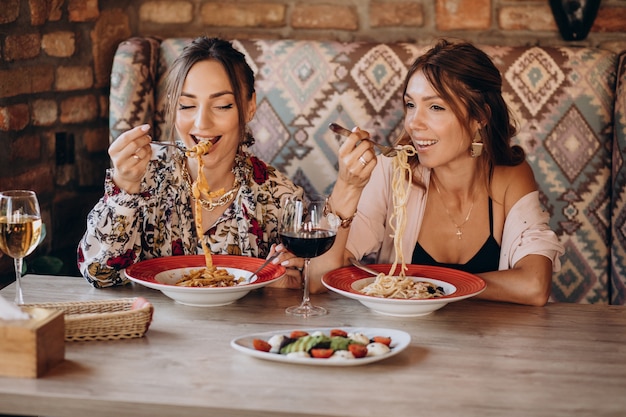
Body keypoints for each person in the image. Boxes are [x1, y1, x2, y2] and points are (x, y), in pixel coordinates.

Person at [309, 39, 564, 306]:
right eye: (410, 105)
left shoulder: (510, 176)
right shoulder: (393, 171)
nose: (413, 123)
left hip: (488, 340)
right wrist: (346, 186)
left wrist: (426, 286)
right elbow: (319, 277)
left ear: (480, 117)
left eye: (436, 107)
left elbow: (534, 286)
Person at [78, 36, 303, 288]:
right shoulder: (143, 172)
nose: (201, 123)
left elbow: (302, 289)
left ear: (250, 106)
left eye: (222, 105)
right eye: (186, 105)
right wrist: (125, 188)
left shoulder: (280, 198)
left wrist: (285, 283)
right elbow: (100, 275)